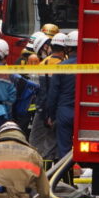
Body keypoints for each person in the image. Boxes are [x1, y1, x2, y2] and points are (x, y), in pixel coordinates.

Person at [29, 31, 69, 161]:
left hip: (44, 109)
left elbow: (40, 91)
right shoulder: (67, 64)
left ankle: (43, 175)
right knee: (57, 144)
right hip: (62, 109)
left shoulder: (43, 64)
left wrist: (45, 113)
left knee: (38, 142)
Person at [41, 30, 78, 159]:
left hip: (64, 111)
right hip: (83, 112)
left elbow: (53, 94)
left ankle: (66, 178)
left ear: (67, 48)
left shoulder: (61, 67)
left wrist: (51, 115)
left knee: (64, 150)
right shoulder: (90, 66)